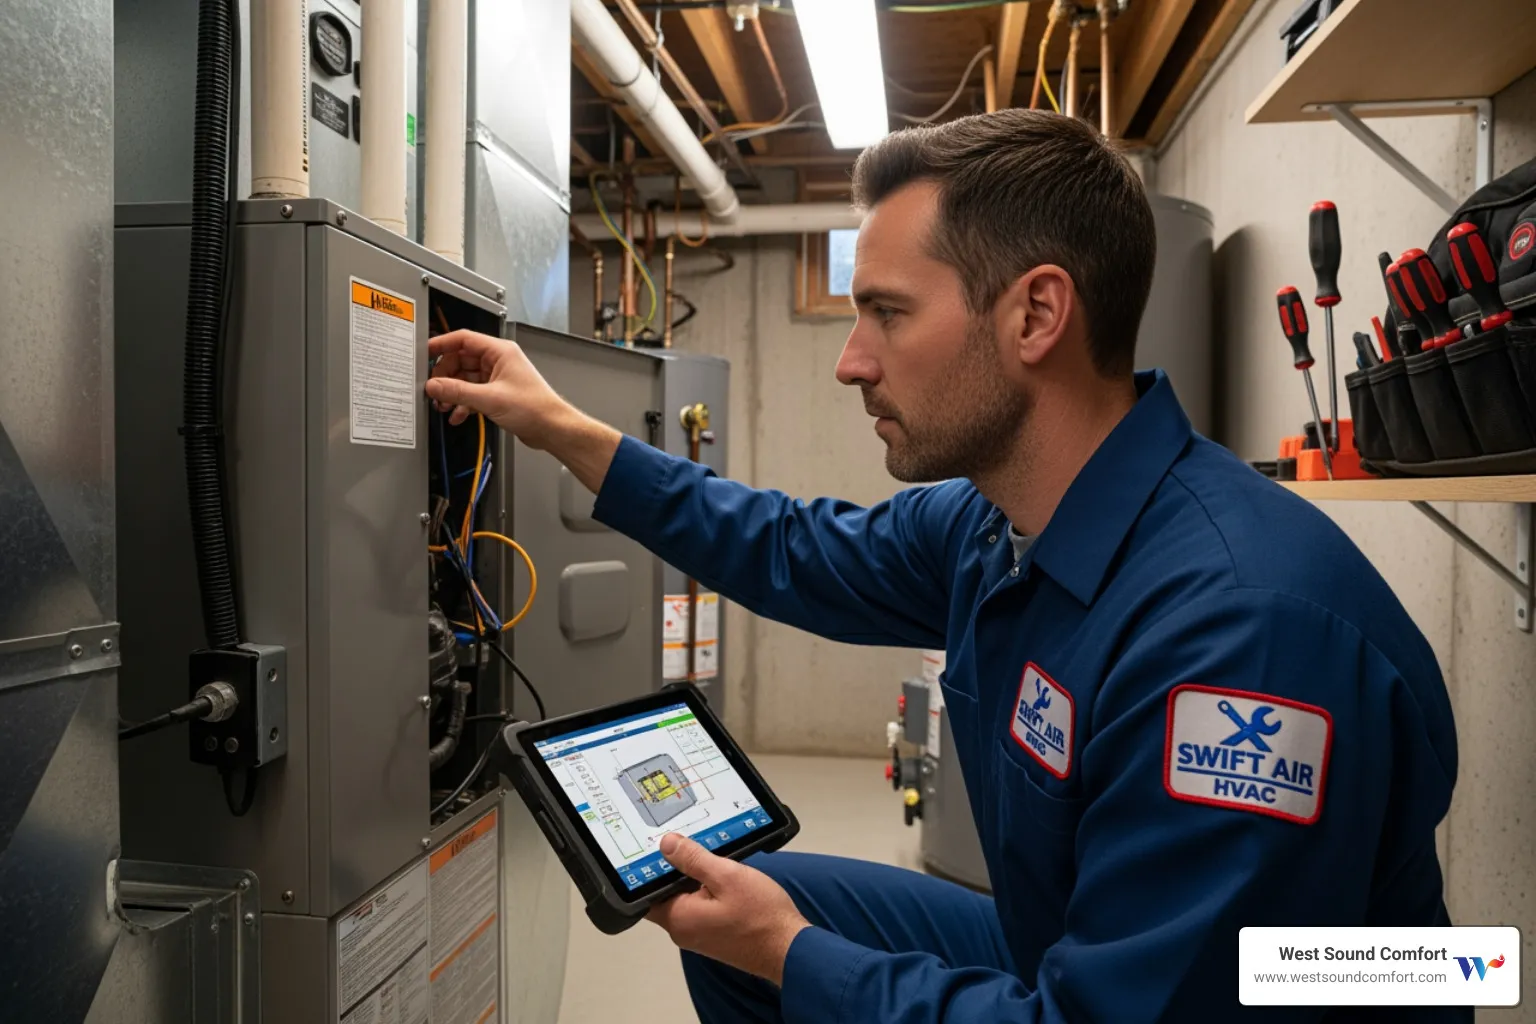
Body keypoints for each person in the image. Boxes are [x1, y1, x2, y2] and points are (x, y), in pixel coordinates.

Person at [424, 110, 1464, 1022]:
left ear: (1036, 314)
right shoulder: (991, 524)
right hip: (1077, 944)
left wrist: (794, 955)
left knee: (781, 945)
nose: (851, 360)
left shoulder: (1236, 637)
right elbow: (790, 546)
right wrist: (562, 428)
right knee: (738, 919)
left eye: (887, 311)